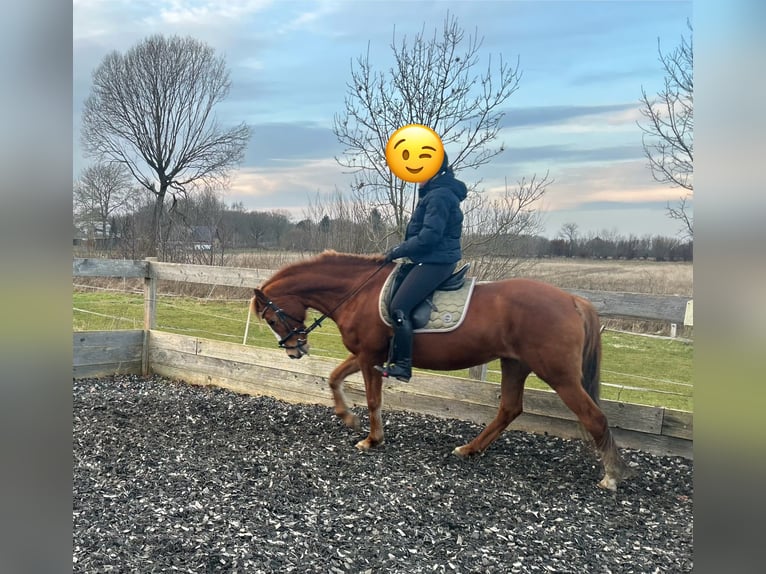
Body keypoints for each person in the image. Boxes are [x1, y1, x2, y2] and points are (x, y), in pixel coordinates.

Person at [376, 152, 468, 382]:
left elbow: (429, 237)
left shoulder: (439, 196)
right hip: (431, 258)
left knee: (398, 308)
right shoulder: (436, 194)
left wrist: (396, 252)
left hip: (437, 261)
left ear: (435, 171)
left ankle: (403, 366)